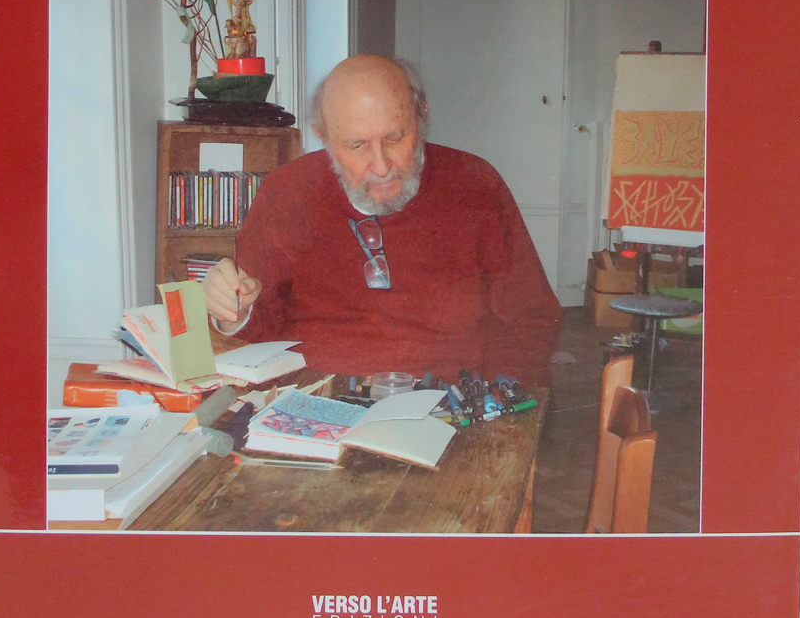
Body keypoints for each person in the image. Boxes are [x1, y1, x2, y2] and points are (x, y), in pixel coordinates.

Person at [203, 54, 561, 385]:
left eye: (394, 137)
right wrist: (232, 311)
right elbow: (260, 326)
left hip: (448, 401)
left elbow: (532, 318)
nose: (381, 166)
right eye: (357, 145)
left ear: (421, 115)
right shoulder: (287, 193)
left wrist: (492, 398)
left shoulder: (475, 185)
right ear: (323, 137)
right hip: (317, 400)